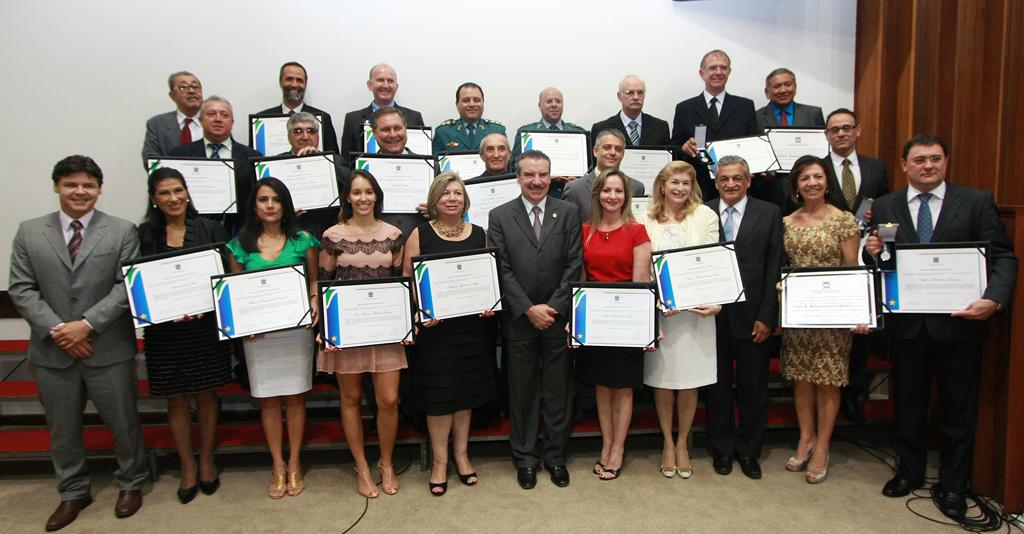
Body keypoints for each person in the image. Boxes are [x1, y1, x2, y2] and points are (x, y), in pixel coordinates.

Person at [865, 135, 1017, 519]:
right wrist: (874, 255)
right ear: (904, 166)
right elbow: (884, 264)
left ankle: (953, 484)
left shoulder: (976, 201)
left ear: (946, 161)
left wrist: (994, 300)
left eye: (934, 159)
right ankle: (909, 472)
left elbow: (1003, 257)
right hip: (908, 327)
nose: (927, 166)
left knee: (957, 409)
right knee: (909, 406)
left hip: (960, 325)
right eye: (919, 160)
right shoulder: (886, 205)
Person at [9, 155, 147, 530]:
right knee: (62, 429)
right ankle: (72, 491)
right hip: (53, 351)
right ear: (57, 186)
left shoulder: (122, 231)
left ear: (99, 190)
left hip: (108, 348)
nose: (80, 192)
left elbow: (125, 286)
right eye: (71, 184)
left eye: (88, 185)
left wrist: (86, 325)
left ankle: (132, 482)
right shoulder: (29, 232)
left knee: (124, 423)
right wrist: (60, 331)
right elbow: (22, 289)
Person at [136, 167, 232, 503]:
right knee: (176, 398)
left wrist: (205, 305)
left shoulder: (210, 229)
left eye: (178, 190)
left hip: (204, 328)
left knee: (207, 394)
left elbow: (224, 278)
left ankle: (206, 459)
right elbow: (138, 284)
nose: (173, 198)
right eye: (165, 193)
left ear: (187, 192)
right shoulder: (144, 234)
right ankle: (187, 465)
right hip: (165, 333)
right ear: (154, 199)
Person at [488, 150, 582, 490]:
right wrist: (528, 308)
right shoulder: (500, 215)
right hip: (519, 319)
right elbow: (502, 269)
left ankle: (555, 456)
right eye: (529, 174)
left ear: (550, 175)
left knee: (558, 390)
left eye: (543, 174)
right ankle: (525, 457)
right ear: (518, 176)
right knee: (523, 391)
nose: (537, 181)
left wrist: (552, 307)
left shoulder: (568, 212)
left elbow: (575, 264)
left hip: (557, 319)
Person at [402, 172, 499, 496]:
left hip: (471, 329)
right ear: (435, 200)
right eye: (446, 194)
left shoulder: (480, 234)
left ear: (465, 199)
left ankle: (462, 455)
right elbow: (409, 283)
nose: (452, 199)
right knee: (440, 395)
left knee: (466, 393)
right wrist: (421, 311)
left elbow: (488, 278)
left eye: (458, 193)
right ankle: (440, 461)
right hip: (436, 332)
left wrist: (490, 302)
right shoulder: (419, 234)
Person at [225, 177, 320, 499]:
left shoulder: (303, 240)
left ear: (285, 205)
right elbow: (235, 293)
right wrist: (242, 323)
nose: (269, 205)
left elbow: (313, 284)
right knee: (268, 400)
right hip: (259, 335)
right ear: (254, 205)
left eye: (276, 200)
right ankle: (277, 465)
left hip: (295, 331)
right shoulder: (240, 244)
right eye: (263, 200)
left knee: (295, 397)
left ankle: (294, 462)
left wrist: (314, 302)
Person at [319, 170, 407, 498]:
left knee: (388, 399)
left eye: (369, 191)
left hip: (384, 328)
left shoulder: (394, 234)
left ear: (377, 195)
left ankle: (385, 462)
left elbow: (401, 283)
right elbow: (324, 283)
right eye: (356, 192)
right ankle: (362, 466)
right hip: (348, 330)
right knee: (351, 398)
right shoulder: (333, 235)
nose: (363, 198)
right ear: (347, 197)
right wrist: (326, 329)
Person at [779, 155, 864, 484]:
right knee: (801, 377)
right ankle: (806, 437)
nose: (812, 183)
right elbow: (783, 265)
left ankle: (824, 445)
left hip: (832, 313)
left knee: (828, 379)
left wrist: (856, 311)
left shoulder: (844, 220)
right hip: (799, 313)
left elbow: (851, 267)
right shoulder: (787, 221)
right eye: (805, 179)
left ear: (828, 182)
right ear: (796, 186)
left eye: (817, 177)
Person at [704, 155, 784, 480]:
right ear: (716, 181)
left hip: (754, 316)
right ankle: (722, 450)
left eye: (737, 178)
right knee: (717, 386)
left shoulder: (769, 213)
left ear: (749, 180)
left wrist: (767, 316)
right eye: (724, 178)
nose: (731, 184)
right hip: (712, 316)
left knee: (754, 387)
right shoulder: (703, 211)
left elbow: (773, 267)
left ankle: (749, 451)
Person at [640, 161, 720, 479]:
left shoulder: (706, 216)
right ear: (662, 184)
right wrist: (658, 301)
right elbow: (643, 264)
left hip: (697, 313)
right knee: (664, 380)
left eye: (686, 183)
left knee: (688, 382)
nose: (680, 189)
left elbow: (713, 261)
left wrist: (714, 302)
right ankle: (667, 443)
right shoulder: (643, 217)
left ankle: (684, 442)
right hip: (661, 313)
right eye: (674, 182)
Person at [576, 169, 653, 480]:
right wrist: (576, 321)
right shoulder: (585, 231)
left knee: (622, 388)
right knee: (602, 385)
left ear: (626, 196)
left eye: (618, 191)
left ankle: (618, 448)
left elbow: (641, 281)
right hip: (595, 322)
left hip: (626, 321)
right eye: (606, 190)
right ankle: (606, 442)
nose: (612, 196)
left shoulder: (638, 232)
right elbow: (580, 280)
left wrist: (646, 326)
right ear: (598, 194)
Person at [820, 107, 890, 423]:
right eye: (835, 129)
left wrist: (883, 241)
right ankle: (832, 389)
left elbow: (889, 211)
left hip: (865, 256)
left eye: (847, 128)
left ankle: (854, 393)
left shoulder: (876, 168)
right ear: (827, 135)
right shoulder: (816, 169)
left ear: (857, 131)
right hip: (825, 258)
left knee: (859, 329)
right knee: (831, 328)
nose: (841, 134)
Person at [674, 50, 760, 201]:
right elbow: (673, 146)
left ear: (729, 72)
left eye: (723, 68)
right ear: (702, 73)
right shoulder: (684, 108)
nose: (718, 72)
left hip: (735, 187)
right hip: (699, 188)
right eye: (713, 68)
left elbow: (754, 144)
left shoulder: (745, 106)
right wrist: (684, 148)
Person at [169, 96, 261, 233]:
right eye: (211, 114)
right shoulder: (179, 155)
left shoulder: (253, 157)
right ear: (200, 120)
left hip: (240, 233)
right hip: (192, 232)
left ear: (232, 122)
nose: (218, 119)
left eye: (224, 115)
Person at [753, 68, 827, 209]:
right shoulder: (755, 117)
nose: (783, 90)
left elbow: (821, 153)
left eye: (788, 84)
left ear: (795, 87)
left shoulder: (813, 114)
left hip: (808, 189)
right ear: (767, 92)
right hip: (770, 191)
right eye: (777, 86)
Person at [277, 111, 348, 239]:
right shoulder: (277, 163)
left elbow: (351, 184)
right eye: (298, 131)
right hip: (289, 234)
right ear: (288, 137)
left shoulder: (334, 160)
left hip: (328, 233)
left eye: (311, 131)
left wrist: (321, 159)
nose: (305, 136)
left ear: (318, 136)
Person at [340, 63, 425, 163]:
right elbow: (346, 161)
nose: (385, 85)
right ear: (370, 85)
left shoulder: (414, 117)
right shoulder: (352, 119)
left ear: (396, 87)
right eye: (380, 80)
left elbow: (424, 158)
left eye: (390, 81)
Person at [511, 87, 586, 198]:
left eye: (558, 101)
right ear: (540, 105)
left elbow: (589, 171)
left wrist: (578, 179)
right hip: (537, 196)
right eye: (549, 101)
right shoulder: (527, 134)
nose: (554, 105)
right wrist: (540, 176)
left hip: (572, 196)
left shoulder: (579, 133)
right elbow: (514, 168)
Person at [562, 129, 645, 222]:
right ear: (595, 151)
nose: (613, 153)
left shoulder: (636, 187)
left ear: (623, 153)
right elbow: (567, 227)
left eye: (618, 149)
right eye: (607, 147)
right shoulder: (575, 189)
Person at [257, 61, 339, 155]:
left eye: (299, 80)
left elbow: (334, 159)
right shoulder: (261, 119)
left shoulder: (324, 118)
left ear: (305, 84)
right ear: (281, 82)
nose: (294, 84)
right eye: (289, 79)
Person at [142, 71, 204, 166]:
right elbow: (150, 159)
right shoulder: (157, 124)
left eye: (195, 87)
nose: (191, 91)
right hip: (169, 179)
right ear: (172, 95)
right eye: (183, 87)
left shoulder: (215, 121)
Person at [591, 75, 671, 147]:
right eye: (630, 93)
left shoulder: (660, 128)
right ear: (619, 96)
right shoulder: (601, 129)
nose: (636, 97)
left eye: (640, 93)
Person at [433, 82, 505, 153]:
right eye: (466, 100)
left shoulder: (497, 131)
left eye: (476, 100)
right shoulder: (443, 132)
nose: (472, 104)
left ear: (483, 103)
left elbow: (506, 161)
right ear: (457, 105)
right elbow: (434, 163)